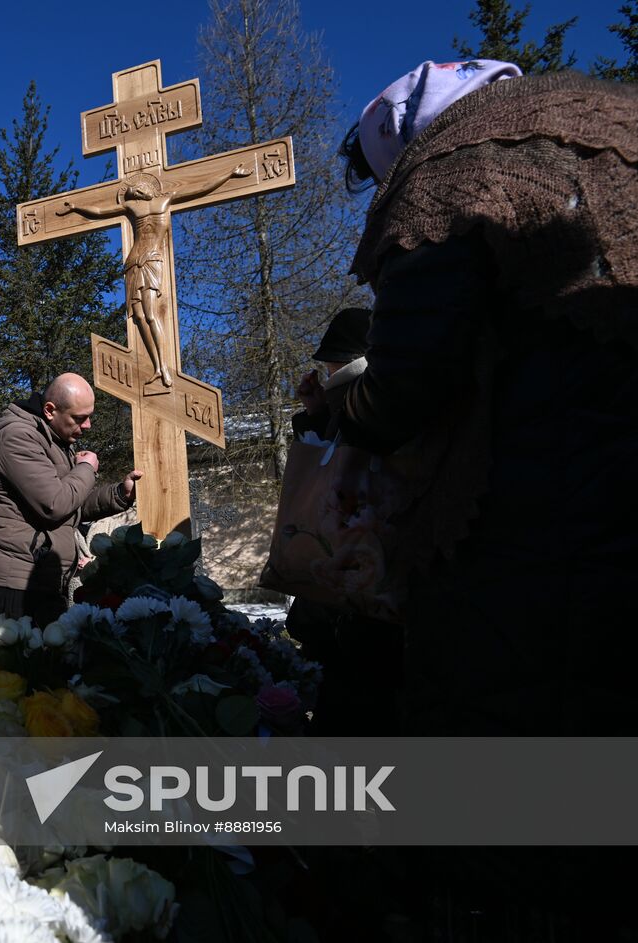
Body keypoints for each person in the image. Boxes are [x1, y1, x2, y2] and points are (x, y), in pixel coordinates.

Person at [335, 59, 638, 936]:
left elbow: (407, 382)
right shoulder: (606, 120)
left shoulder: (454, 164)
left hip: (532, 527)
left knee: (513, 771)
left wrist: (343, 408)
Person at [281, 306, 403, 737]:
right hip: (342, 593)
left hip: (359, 591)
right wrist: (316, 413)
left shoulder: (368, 399)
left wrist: (325, 408)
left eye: (331, 364)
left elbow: (344, 472)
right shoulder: (348, 403)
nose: (325, 371)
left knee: (357, 708)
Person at [56, 165, 250, 387]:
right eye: (135, 192)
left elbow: (202, 188)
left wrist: (229, 173)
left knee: (150, 313)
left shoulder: (166, 199)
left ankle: (163, 367)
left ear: (149, 188)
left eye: (140, 190)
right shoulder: (131, 207)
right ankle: (156, 366)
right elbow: (101, 211)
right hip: (133, 261)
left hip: (151, 258)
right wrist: (75, 207)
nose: (138, 193)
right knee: (138, 317)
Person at [0, 374, 140, 627]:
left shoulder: (56, 441)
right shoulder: (18, 437)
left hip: (44, 580)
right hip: (16, 584)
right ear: (50, 410)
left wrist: (119, 495)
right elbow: (54, 504)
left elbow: (71, 506)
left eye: (89, 416)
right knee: (17, 666)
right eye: (79, 418)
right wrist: (86, 468)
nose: (88, 426)